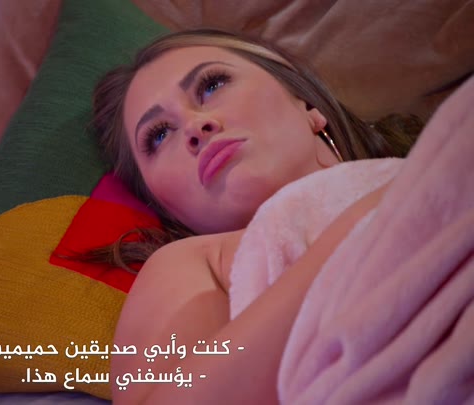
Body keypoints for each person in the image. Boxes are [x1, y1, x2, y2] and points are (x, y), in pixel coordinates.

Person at [88, 29, 421, 403]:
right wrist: (371, 216)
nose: (195, 126)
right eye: (159, 135)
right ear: (165, 205)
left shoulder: (442, 152)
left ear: (304, 101)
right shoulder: (198, 262)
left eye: (212, 85)